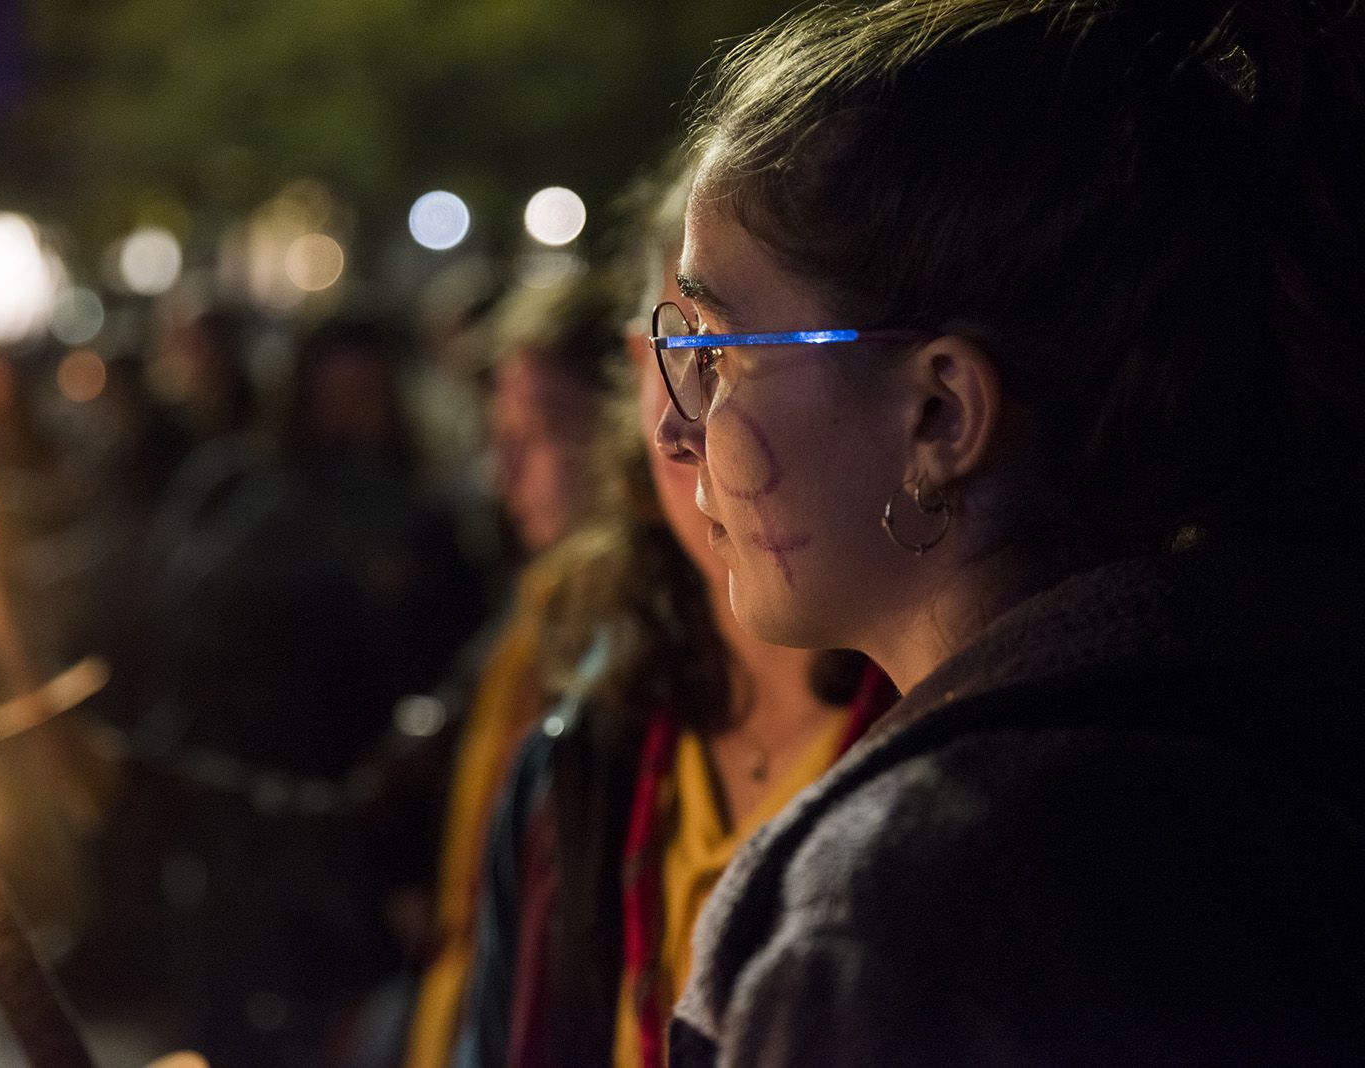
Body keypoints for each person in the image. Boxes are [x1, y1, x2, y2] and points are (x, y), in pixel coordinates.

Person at [651, 1, 1365, 1063]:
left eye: (718, 346)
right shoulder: (1277, 724)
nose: (673, 426)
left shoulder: (908, 919)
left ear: (940, 414)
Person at [460, 169, 893, 1068]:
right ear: (635, 365)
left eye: (735, 356)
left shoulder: (935, 750)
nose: (690, 428)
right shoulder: (580, 755)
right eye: (680, 352)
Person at [403, 271, 625, 1068]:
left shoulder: (626, 666)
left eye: (536, 433)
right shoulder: (530, 627)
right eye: (497, 434)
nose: (503, 473)